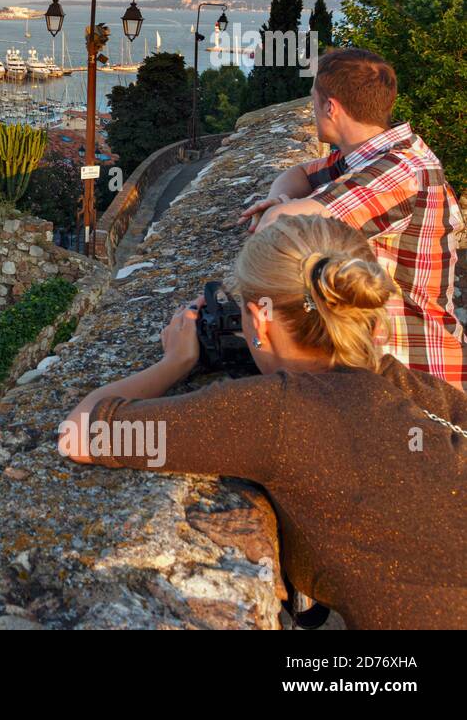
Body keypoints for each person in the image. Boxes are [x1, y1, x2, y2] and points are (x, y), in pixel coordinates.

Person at [61, 215, 466, 629]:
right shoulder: (426, 392)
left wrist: (174, 362)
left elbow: (82, 433)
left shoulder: (277, 411)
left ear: (260, 320)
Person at [238, 47, 465, 389]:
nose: (312, 110)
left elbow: (278, 228)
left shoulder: (402, 170)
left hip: (416, 368)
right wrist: (278, 198)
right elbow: (299, 173)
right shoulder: (367, 156)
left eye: (313, 101)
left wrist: (279, 209)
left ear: (330, 107)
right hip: (389, 359)